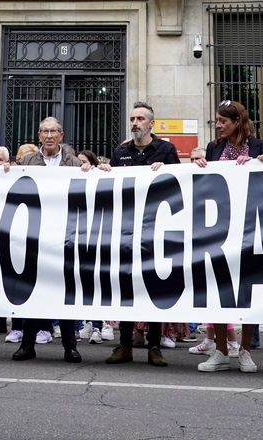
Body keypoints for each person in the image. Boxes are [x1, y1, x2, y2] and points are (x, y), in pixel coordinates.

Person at [193, 100, 263, 373]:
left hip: (250, 228)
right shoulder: (215, 148)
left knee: (248, 290)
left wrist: (262, 163)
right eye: (217, 120)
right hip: (219, 229)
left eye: (222, 121)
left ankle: (246, 350)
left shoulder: (260, 147)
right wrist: (201, 164)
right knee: (219, 289)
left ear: (237, 122)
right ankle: (221, 351)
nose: (217, 125)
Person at [100, 100, 179, 367]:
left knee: (153, 286)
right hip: (126, 231)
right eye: (132, 119)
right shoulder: (121, 152)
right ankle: (124, 345)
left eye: (140, 119)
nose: (135, 123)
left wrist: (166, 172)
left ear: (151, 124)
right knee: (127, 286)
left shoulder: (166, 150)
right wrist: (104, 172)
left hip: (155, 231)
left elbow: (179, 186)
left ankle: (154, 346)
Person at [13, 116, 86, 364]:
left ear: (62, 135)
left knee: (64, 292)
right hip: (36, 235)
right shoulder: (27, 161)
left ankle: (70, 346)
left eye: (54, 131)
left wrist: (95, 171)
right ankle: (27, 345)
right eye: (44, 131)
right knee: (34, 291)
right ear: (39, 135)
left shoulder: (74, 162)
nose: (49, 136)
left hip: (65, 236)